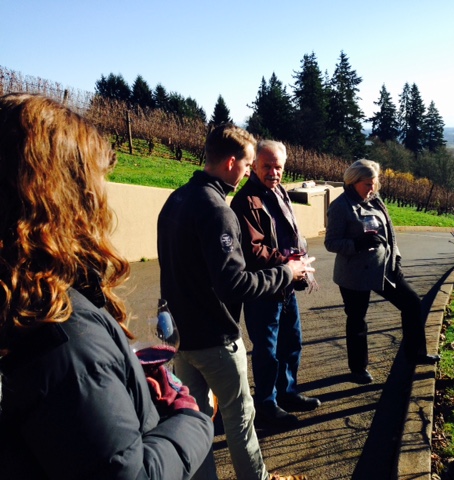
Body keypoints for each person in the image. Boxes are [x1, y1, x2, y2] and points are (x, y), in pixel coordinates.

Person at [0, 93, 214, 479]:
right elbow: (127, 473)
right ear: (65, 196)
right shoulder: (61, 331)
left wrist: (124, 388)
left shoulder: (18, 298)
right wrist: (189, 418)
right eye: (98, 183)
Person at [157, 124, 313, 480]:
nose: (247, 173)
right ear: (231, 162)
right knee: (240, 418)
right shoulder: (217, 210)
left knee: (195, 423)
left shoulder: (176, 199)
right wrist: (287, 272)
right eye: (247, 165)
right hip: (214, 338)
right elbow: (234, 284)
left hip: (181, 336)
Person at [324, 159, 440, 384]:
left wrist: (396, 258)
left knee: (412, 303)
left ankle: (416, 353)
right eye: (368, 184)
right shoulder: (340, 206)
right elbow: (331, 242)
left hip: (384, 268)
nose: (372, 188)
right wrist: (357, 243)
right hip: (354, 273)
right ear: (353, 182)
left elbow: (390, 232)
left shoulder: (375, 200)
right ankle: (358, 369)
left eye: (375, 183)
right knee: (357, 320)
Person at [230, 140, 321, 427]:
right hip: (264, 288)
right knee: (267, 351)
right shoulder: (245, 201)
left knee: (291, 343)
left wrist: (298, 259)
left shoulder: (279, 192)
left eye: (278, 167)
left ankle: (287, 393)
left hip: (287, 284)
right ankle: (267, 404)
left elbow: (290, 233)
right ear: (254, 166)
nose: (273, 172)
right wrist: (288, 261)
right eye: (267, 166)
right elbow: (252, 251)